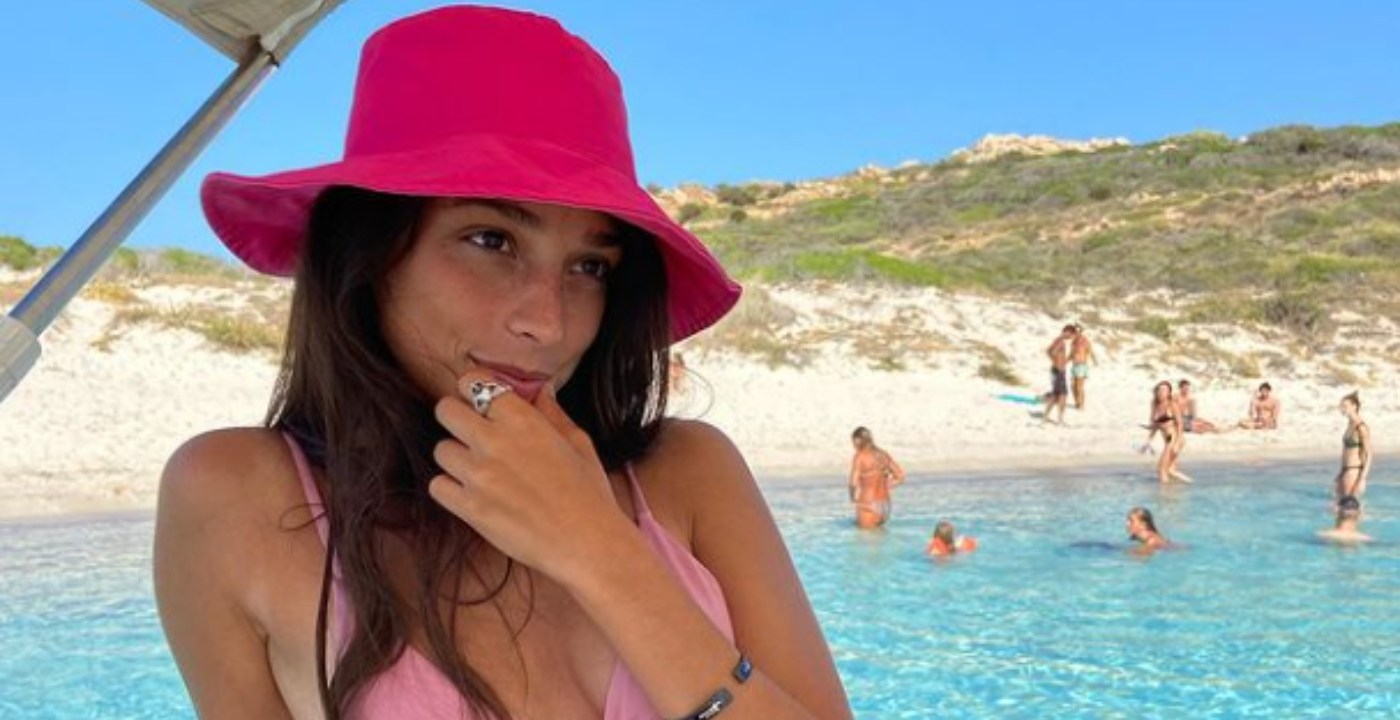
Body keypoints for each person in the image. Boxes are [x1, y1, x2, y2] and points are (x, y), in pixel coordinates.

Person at [152, 8, 851, 720]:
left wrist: (599, 552)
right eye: (491, 240)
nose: (548, 322)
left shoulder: (687, 472)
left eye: (590, 265)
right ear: (368, 257)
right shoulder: (234, 497)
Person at [847, 427, 906, 529]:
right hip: (885, 506)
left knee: (866, 536)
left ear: (858, 440)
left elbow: (853, 483)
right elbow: (900, 477)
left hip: (868, 504)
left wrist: (852, 497)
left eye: (853, 442)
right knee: (880, 535)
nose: (853, 445)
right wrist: (886, 485)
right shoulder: (883, 454)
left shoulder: (860, 456)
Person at [1143, 381, 1191, 484]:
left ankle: (1164, 492)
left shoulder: (1172, 404)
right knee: (1170, 470)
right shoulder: (1154, 404)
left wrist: (1177, 443)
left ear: (1169, 393)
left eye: (1165, 390)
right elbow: (1155, 425)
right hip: (1167, 440)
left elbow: (1180, 423)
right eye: (1159, 390)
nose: (1161, 392)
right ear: (1156, 391)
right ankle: (1187, 484)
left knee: (1161, 469)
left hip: (1174, 439)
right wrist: (1148, 441)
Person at [1334, 391, 1374, 501]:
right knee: (1338, 505)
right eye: (1341, 406)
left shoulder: (1361, 427)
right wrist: (1341, 473)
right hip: (1345, 470)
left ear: (1354, 406)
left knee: (1350, 506)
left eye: (1345, 406)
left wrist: (1362, 478)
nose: (1342, 409)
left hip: (1354, 471)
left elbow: (1368, 454)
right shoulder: (1349, 425)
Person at [1042, 325, 1075, 425]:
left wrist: (1057, 362)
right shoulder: (1060, 341)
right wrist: (1057, 364)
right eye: (1071, 334)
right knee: (1061, 395)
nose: (1071, 336)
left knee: (1056, 395)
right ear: (1067, 332)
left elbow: (1048, 351)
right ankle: (1059, 419)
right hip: (1058, 371)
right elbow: (1052, 352)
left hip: (1057, 370)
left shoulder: (1058, 340)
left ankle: (1046, 417)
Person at [1068, 323, 1098, 411]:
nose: (1075, 332)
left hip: (1082, 366)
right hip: (1074, 366)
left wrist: (1095, 360)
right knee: (1072, 386)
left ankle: (1081, 405)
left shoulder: (1085, 341)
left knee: (1079, 387)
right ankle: (1077, 402)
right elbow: (1071, 354)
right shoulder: (1073, 342)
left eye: (1077, 331)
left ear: (1081, 331)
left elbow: (1091, 352)